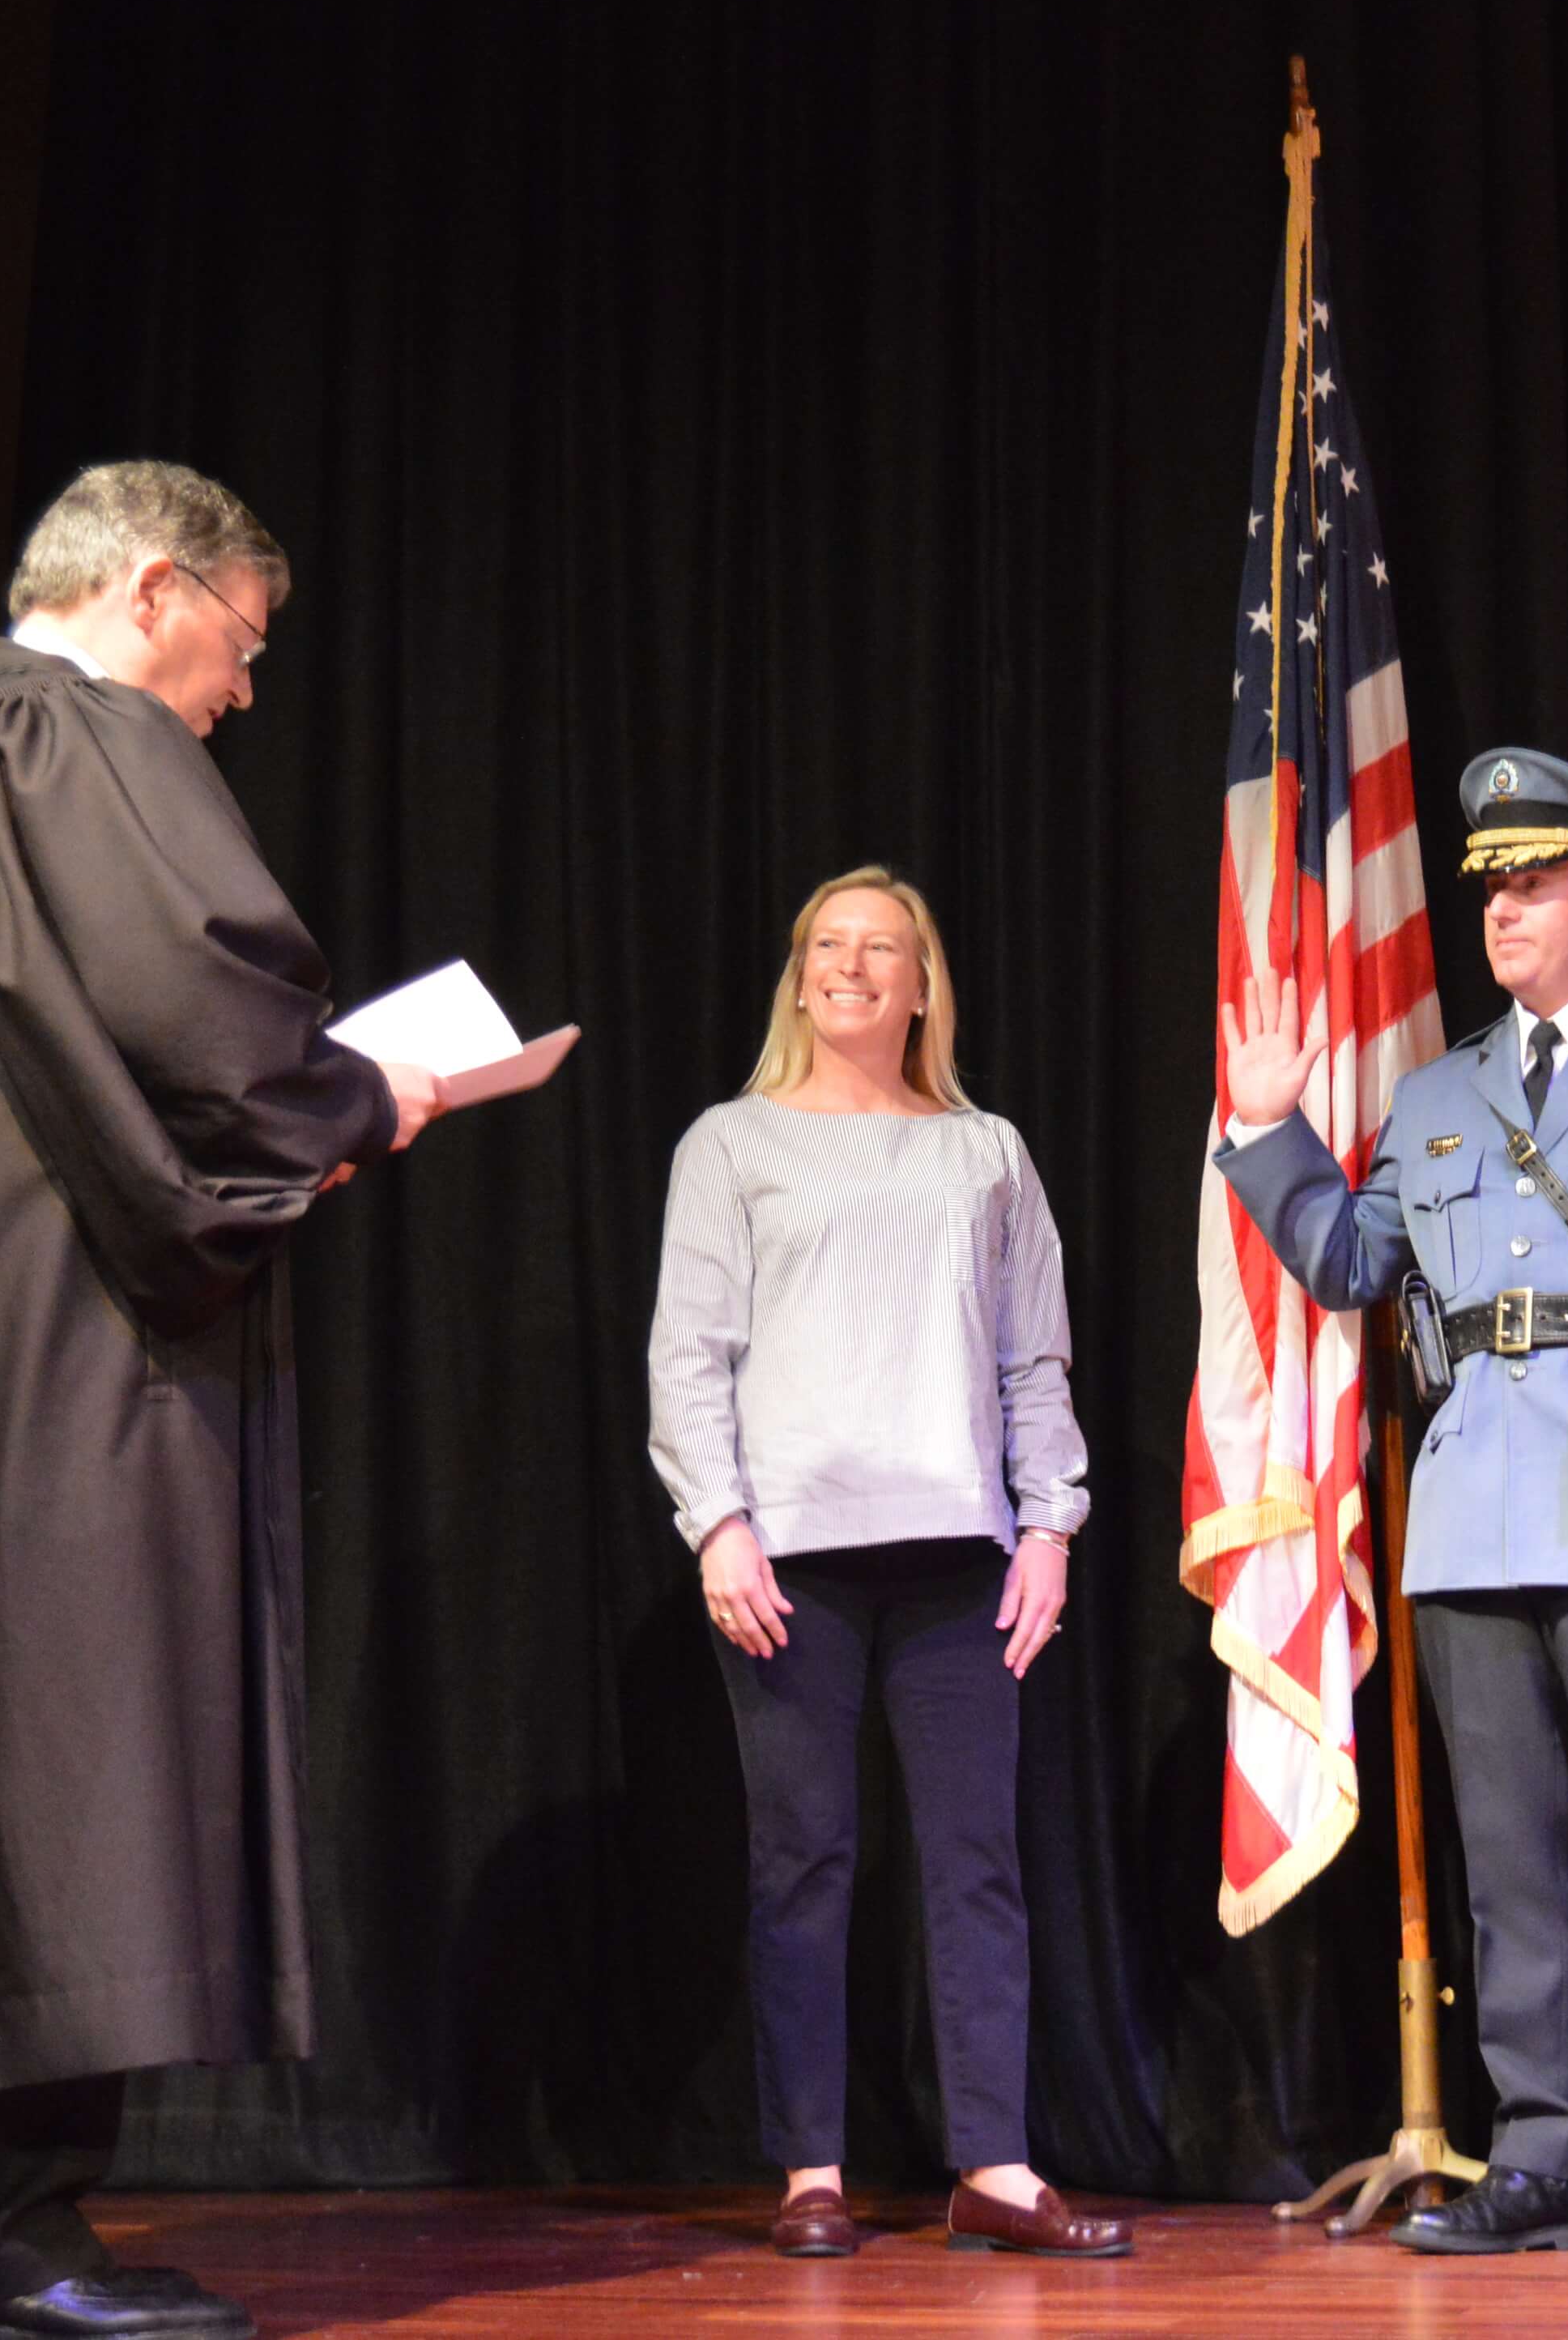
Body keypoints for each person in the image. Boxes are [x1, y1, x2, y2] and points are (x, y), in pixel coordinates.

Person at [0, 461, 445, 2340]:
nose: (241, 693)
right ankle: (4, 2231)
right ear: (152, 590)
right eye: (241, 645)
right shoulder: (59, 739)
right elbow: (204, 1011)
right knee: (78, 1750)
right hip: (70, 1350)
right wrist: (353, 1100)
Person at [1214, 748, 1568, 2270]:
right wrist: (1269, 1134)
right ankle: (1543, 2146)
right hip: (1471, 1507)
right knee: (1513, 1853)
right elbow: (1355, 1266)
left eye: (1536, 883)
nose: (1506, 911)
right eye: (1492, 889)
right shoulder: (1440, 1091)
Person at [644, 866, 1127, 2261]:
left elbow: (1034, 1357)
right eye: (829, 947)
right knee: (806, 1859)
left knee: (978, 1861)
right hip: (788, 1558)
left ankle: (998, 2166)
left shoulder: (984, 1151)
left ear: (924, 985)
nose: (854, 967)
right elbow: (690, 1356)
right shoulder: (730, 1145)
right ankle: (811, 2168)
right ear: (800, 978)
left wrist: (1050, 1525)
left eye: (885, 949)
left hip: (957, 1562)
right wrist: (717, 1523)